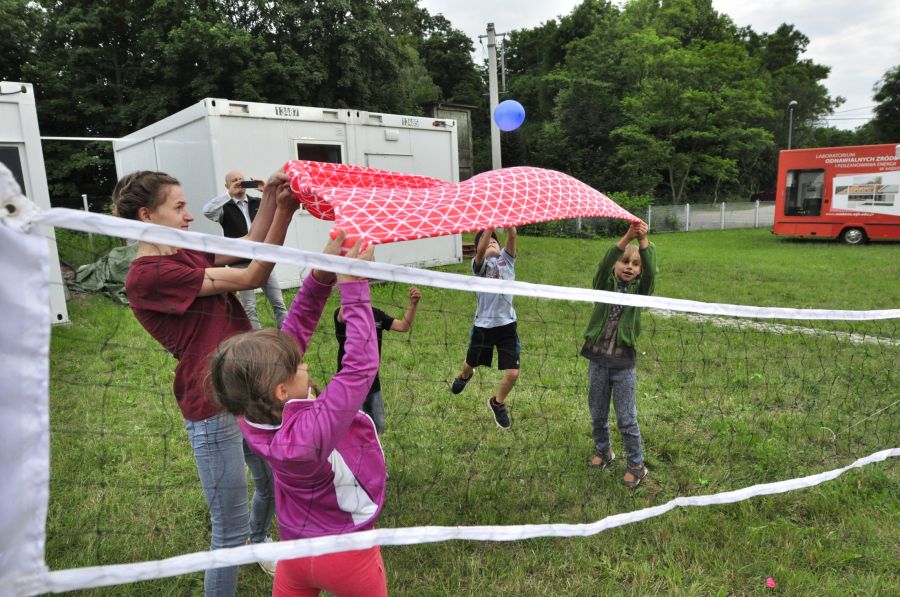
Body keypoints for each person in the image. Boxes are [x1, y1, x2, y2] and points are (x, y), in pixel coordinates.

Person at [115, 169, 298, 595]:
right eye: (178, 207)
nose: (189, 216)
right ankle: (243, 543)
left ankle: (259, 539)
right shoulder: (148, 275)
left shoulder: (185, 250)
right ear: (147, 214)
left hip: (246, 385)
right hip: (210, 400)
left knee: (272, 480)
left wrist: (270, 196)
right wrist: (286, 214)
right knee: (226, 533)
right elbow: (252, 275)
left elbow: (248, 244)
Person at [209, 236, 388, 597]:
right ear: (281, 391)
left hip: (292, 551)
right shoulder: (315, 431)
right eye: (297, 367)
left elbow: (294, 333)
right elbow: (360, 367)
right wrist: (353, 286)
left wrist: (320, 277)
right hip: (346, 557)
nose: (302, 362)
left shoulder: (249, 416)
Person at [581, 221, 656, 488]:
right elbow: (603, 265)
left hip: (623, 363)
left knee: (626, 417)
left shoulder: (641, 293)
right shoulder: (604, 285)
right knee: (597, 412)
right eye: (624, 261)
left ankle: (637, 465)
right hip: (598, 359)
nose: (629, 267)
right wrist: (627, 236)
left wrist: (644, 240)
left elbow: (651, 276)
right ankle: (604, 451)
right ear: (616, 264)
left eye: (635, 264)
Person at [450, 227, 519, 429]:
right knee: (470, 363)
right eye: (486, 242)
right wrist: (489, 227)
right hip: (483, 326)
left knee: (513, 373)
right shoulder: (478, 266)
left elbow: (512, 235)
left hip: (507, 326)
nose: (491, 243)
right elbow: (480, 251)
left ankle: (497, 403)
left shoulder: (507, 261)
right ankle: (464, 376)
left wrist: (507, 224)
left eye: (494, 241)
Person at [203, 170, 288, 329]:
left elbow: (281, 207)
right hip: (239, 264)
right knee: (249, 308)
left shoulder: (257, 202)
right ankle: (256, 344)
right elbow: (207, 211)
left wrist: (267, 191)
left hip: (263, 260)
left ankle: (288, 336)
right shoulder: (224, 208)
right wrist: (228, 194)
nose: (239, 183)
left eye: (241, 179)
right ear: (227, 185)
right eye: (234, 181)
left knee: (278, 303)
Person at [333, 286, 421, 433]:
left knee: (378, 428)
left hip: (372, 383)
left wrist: (413, 304)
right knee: (354, 431)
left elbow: (403, 326)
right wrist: (348, 286)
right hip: (349, 386)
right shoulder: (344, 314)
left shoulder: (376, 314)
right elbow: (342, 315)